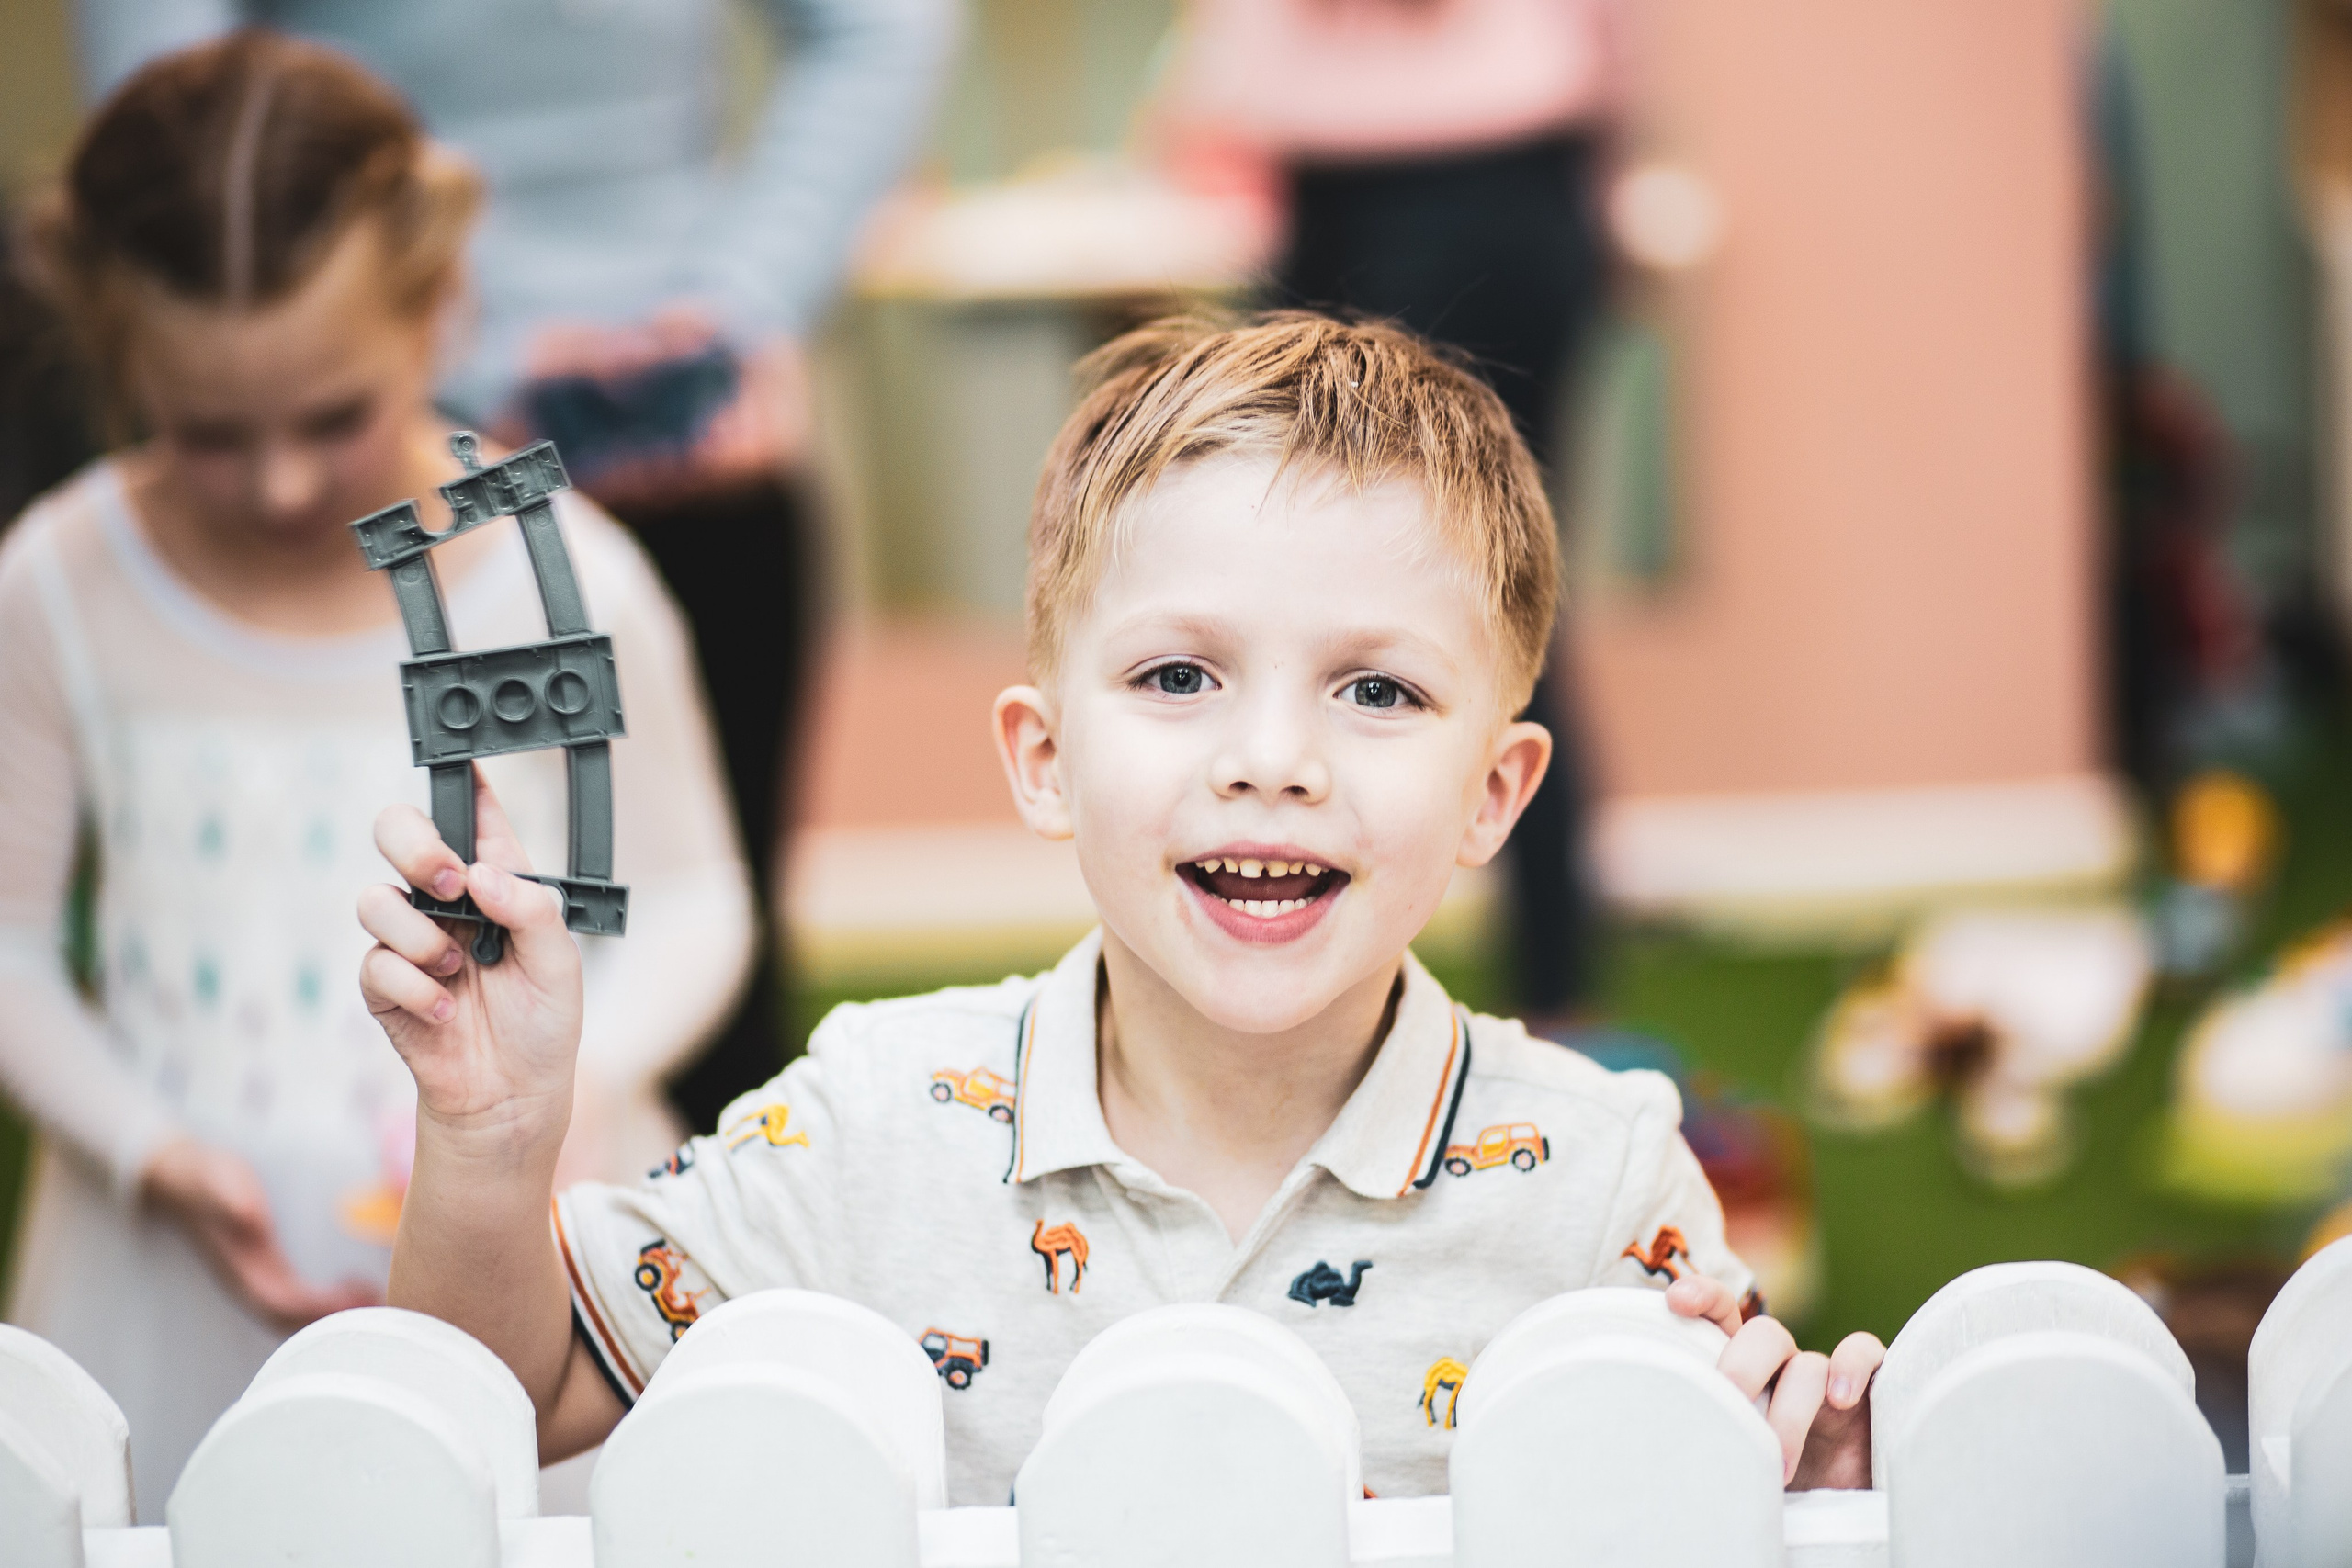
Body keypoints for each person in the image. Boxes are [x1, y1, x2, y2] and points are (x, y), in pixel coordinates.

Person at [359, 313, 1883, 1499]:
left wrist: (1805, 1504)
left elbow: (1695, 1502)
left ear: (1495, 792)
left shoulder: (1602, 1181)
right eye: (1177, 677)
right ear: (1043, 758)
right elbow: (512, 1389)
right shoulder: (865, 1126)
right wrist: (492, 1144)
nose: (1272, 761)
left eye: (1377, 688)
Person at [0, 33, 753, 1517]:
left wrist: (550, 1106)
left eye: (331, 415)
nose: (281, 482)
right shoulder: (60, 588)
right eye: (209, 430)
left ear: (440, 304)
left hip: (534, 1243)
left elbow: (694, 894)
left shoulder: (563, 579)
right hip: (170, 1271)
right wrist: (153, 1154)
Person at [76, 0, 963, 1131]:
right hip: (364, 396)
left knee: (688, 987)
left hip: (681, 446)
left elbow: (880, 27)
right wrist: (394, 349)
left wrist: (729, 317)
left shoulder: (608, 564)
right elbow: (173, 118)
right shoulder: (156, 523)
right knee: (331, 927)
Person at [1162, 0, 1623, 1026]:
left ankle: (1555, 1006)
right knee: (1272, 591)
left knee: (1499, 603)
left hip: (1497, 178)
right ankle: (1279, 985)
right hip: (1317, 192)